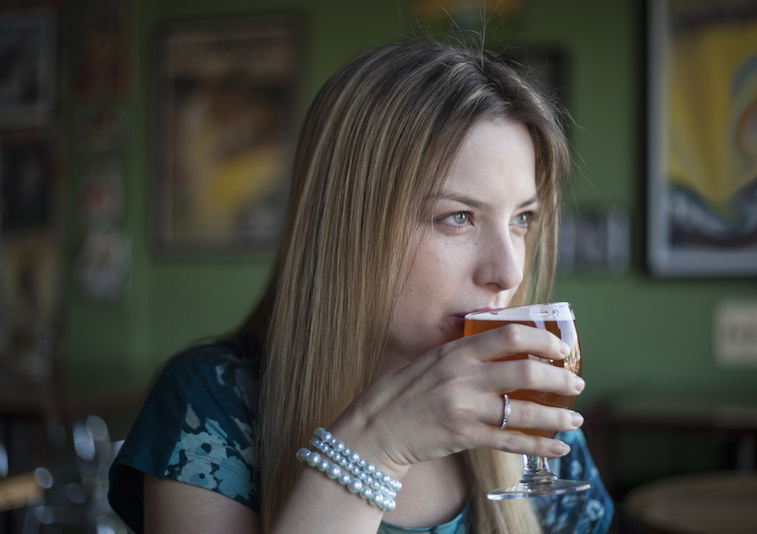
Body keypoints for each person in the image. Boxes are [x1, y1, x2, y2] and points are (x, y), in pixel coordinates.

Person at [108, 40, 614, 534]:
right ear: (346, 227)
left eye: (522, 218)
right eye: (457, 217)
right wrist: (374, 448)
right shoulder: (214, 402)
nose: (508, 272)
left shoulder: (528, 415)